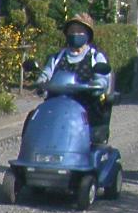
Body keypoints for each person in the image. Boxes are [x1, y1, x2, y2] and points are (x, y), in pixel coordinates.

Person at [37, 12, 113, 143]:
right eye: (72, 31)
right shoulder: (56, 57)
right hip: (56, 105)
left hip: (85, 107)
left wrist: (98, 85)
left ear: (88, 34)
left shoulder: (95, 57)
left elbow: (103, 78)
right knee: (35, 119)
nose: (75, 34)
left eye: (80, 31)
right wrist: (41, 84)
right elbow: (45, 75)